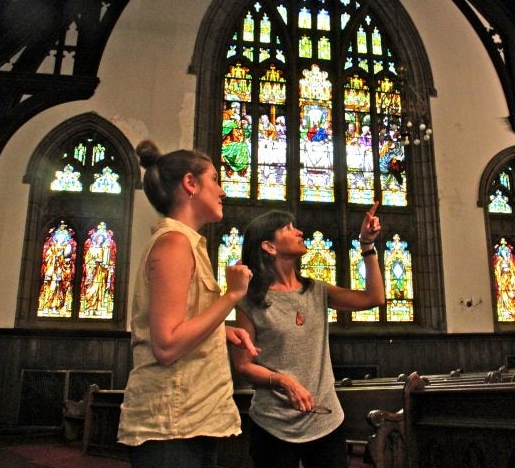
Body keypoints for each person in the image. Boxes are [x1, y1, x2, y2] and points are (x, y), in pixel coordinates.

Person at [117, 140, 258, 468]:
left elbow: (178, 322)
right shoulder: (174, 244)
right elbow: (166, 345)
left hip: (189, 418)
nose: (221, 191)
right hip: (171, 425)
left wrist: (220, 331)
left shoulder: (186, 243)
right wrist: (231, 296)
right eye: (214, 180)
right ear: (190, 184)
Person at [231, 202, 385, 468]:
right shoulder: (250, 300)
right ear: (269, 246)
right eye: (289, 228)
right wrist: (283, 381)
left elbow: (375, 298)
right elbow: (243, 365)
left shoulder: (316, 290)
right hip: (272, 425)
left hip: (325, 422)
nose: (300, 232)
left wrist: (367, 245)